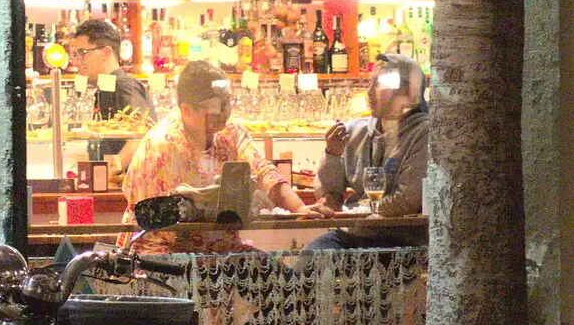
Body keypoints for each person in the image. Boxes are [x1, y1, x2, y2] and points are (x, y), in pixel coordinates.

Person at [121, 58, 306, 251]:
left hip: (218, 250)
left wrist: (300, 208)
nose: (225, 113)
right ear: (187, 110)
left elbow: (263, 171)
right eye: (216, 108)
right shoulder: (161, 145)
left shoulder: (231, 132)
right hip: (162, 250)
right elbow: (157, 226)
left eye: (228, 104)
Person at [305, 52, 428, 250]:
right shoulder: (357, 131)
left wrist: (352, 209)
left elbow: (407, 200)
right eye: (369, 84)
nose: (369, 92)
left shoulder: (424, 133)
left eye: (379, 84)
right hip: (354, 233)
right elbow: (328, 193)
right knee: (312, 259)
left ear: (407, 92)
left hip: (402, 241)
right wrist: (333, 155)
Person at [67, 16, 154, 169]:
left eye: (82, 52)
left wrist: (111, 171)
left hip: (126, 188)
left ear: (106, 52)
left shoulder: (123, 85)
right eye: (74, 54)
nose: (75, 61)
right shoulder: (105, 87)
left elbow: (142, 133)